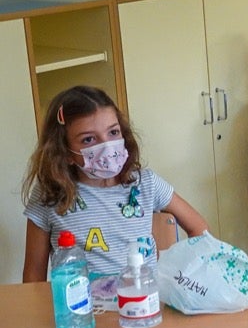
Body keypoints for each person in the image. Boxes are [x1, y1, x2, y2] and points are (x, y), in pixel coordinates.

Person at [22, 85, 208, 282]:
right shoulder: (49, 194)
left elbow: (199, 228)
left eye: (113, 132)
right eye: (88, 139)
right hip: (83, 310)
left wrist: (185, 279)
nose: (107, 145)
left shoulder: (146, 183)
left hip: (145, 304)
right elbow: (33, 273)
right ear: (64, 152)